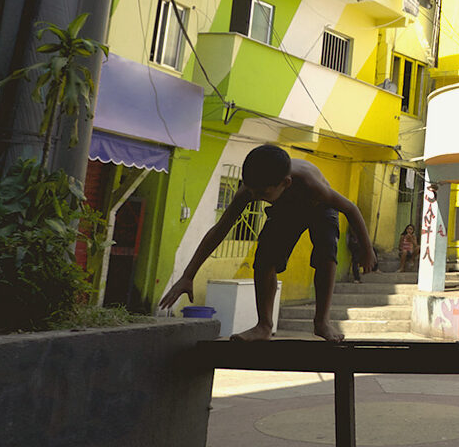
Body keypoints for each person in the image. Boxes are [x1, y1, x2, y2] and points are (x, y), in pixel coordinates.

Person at [160, 144, 376, 342]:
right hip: (286, 210)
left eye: (262, 193)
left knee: (326, 253)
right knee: (264, 259)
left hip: (319, 207)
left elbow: (351, 209)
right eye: (252, 191)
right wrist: (188, 276)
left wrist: (367, 250)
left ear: (285, 183)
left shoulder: (311, 184)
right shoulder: (250, 190)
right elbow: (219, 231)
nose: (256, 197)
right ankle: (264, 325)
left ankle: (322, 322)